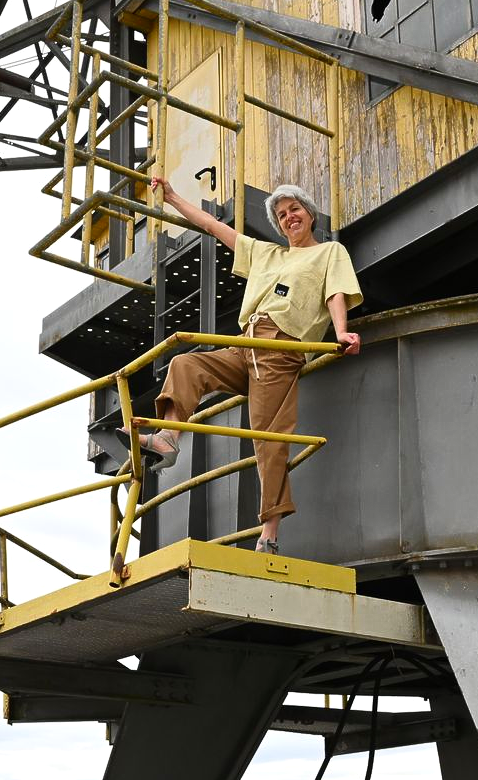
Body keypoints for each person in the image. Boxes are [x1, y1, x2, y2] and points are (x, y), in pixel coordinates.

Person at [132, 177, 363, 553]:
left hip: (280, 350)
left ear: (310, 213)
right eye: (282, 214)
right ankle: (169, 438)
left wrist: (341, 332)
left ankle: (269, 535)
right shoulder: (266, 254)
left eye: (295, 210)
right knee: (185, 364)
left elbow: (336, 291)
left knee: (268, 439)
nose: (290, 218)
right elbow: (211, 226)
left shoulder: (329, 253)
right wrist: (173, 198)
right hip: (246, 345)